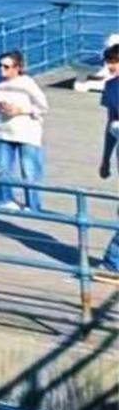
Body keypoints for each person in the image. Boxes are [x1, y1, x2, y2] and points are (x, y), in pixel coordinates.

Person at [0, 50, 49, 213]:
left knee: (30, 170)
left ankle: (32, 204)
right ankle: (3, 199)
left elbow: (43, 106)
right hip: (2, 131)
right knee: (0, 168)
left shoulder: (27, 83)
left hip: (27, 133)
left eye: (6, 67)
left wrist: (21, 110)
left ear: (17, 68)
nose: (1, 70)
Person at [99, 45, 119, 277]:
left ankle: (112, 261)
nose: (111, 66)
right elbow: (110, 122)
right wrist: (105, 159)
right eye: (109, 61)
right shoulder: (110, 86)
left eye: (114, 61)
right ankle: (112, 262)